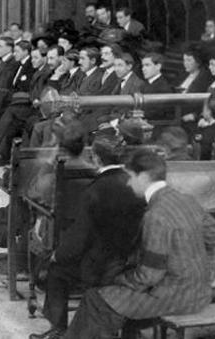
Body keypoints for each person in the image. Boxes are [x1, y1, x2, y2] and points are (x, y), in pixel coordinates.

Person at [65, 148, 215, 339]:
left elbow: (150, 275)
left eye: (131, 177)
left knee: (96, 300)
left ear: (143, 176)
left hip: (172, 297)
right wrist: (206, 274)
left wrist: (120, 279)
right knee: (106, 297)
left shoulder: (156, 215)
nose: (128, 182)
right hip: (199, 294)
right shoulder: (185, 200)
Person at [32, 134, 144, 339]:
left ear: (96, 158)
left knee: (55, 269)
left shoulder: (95, 189)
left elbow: (79, 237)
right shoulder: (138, 185)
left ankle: (58, 329)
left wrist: (58, 255)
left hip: (102, 268)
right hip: (133, 263)